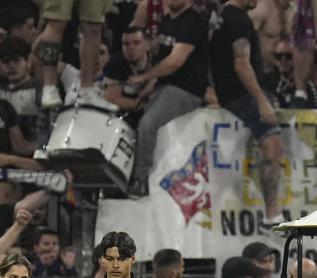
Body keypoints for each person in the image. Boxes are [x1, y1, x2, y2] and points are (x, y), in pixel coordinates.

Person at [212, 0, 286, 225]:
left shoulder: (222, 15)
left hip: (229, 91)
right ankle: (272, 214)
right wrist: (261, 99)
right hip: (241, 94)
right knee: (273, 146)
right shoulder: (238, 19)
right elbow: (241, 63)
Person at [128, 0, 210, 196]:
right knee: (133, 114)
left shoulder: (193, 21)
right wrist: (149, 86)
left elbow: (175, 62)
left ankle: (141, 181)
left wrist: (144, 77)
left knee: (148, 124)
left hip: (186, 89)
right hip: (166, 85)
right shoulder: (166, 20)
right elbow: (162, 63)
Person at [36, 0, 112, 108]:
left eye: (102, 53)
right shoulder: (71, 74)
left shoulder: (110, 83)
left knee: (94, 25)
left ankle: (86, 90)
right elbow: (36, 50)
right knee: (57, 20)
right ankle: (49, 86)